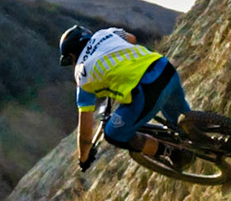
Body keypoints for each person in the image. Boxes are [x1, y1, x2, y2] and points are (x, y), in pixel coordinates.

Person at [59, 24, 191, 172]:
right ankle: (210, 137)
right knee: (184, 124)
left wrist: (83, 158)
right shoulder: (105, 33)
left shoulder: (82, 74)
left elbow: (85, 132)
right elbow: (132, 39)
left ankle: (174, 153)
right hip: (164, 67)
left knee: (113, 134)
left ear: (72, 56)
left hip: (146, 90)